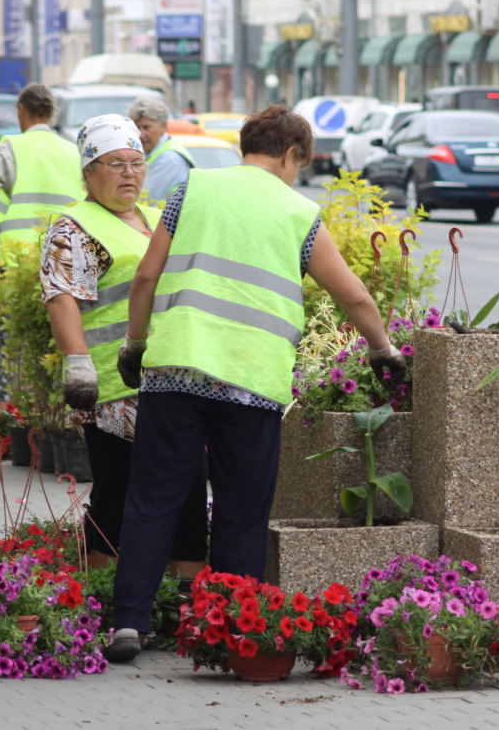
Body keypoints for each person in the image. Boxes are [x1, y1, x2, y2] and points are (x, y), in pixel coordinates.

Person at [106, 104, 408, 662]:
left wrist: (135, 345)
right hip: (251, 383)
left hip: (173, 371)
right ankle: (230, 632)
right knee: (242, 509)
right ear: (292, 155)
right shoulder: (298, 212)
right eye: (299, 164)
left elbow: (146, 275)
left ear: (248, 143)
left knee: (152, 498)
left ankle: (129, 623)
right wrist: (383, 350)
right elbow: (354, 296)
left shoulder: (191, 189)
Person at [41, 114, 208, 579]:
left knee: (189, 491)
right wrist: (77, 363)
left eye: (136, 162)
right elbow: (62, 297)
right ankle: (103, 596)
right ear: (88, 172)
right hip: (113, 390)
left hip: (172, 384)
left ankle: (185, 604)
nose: (129, 173)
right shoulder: (74, 227)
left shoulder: (157, 219)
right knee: (118, 493)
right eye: (115, 164)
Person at [0, 83, 83, 242]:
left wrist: (1, 214)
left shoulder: (11, 148)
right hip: (66, 250)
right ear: (51, 113)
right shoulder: (73, 151)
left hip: (20, 251)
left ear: (22, 110)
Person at [130, 96, 194, 201]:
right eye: (137, 128)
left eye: (147, 127)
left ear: (164, 126)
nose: (141, 134)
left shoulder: (169, 158)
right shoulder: (147, 152)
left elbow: (142, 198)